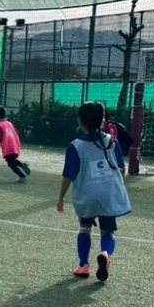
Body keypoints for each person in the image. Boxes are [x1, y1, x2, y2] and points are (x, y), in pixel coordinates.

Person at [56, 101, 131, 281]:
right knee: (108, 232)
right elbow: (121, 168)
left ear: (80, 120)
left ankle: (83, 265)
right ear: (102, 120)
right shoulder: (112, 141)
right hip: (109, 193)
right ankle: (105, 253)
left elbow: (68, 176)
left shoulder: (75, 146)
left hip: (87, 194)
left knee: (84, 227)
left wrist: (60, 198)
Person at [0, 106, 31, 182]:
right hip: (14, 145)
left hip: (8, 146)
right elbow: (16, 132)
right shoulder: (9, 123)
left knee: (10, 163)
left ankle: (22, 177)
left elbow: (0, 137)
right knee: (11, 160)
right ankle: (22, 165)